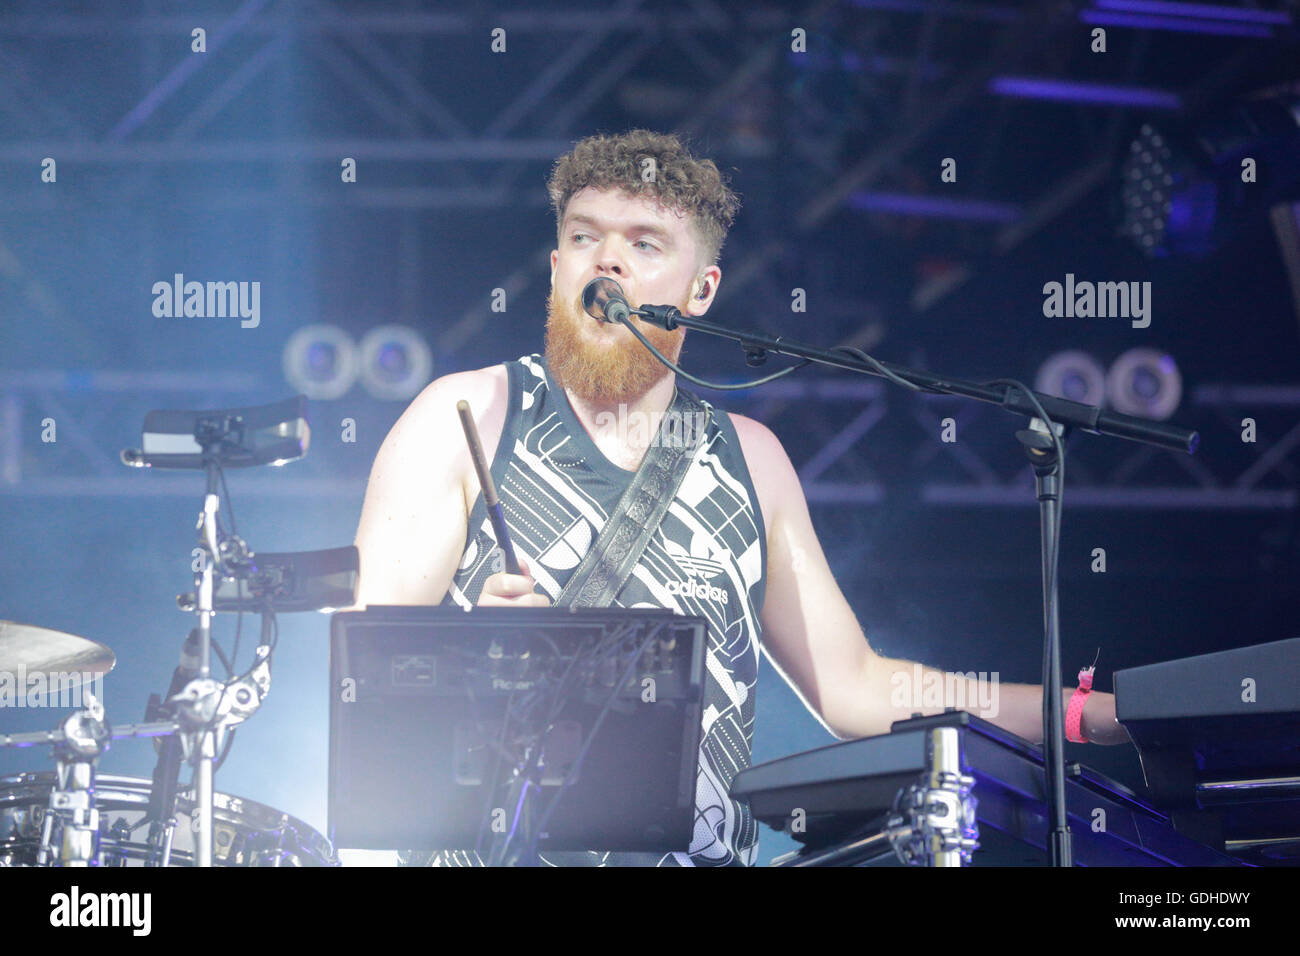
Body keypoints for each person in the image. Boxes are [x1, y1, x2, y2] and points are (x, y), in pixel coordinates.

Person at [351, 129, 1130, 867]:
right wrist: (470, 662)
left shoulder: (752, 460)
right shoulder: (467, 417)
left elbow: (857, 687)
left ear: (701, 289)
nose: (608, 261)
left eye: (644, 244)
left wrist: (1077, 715)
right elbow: (363, 682)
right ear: (557, 265)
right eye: (586, 238)